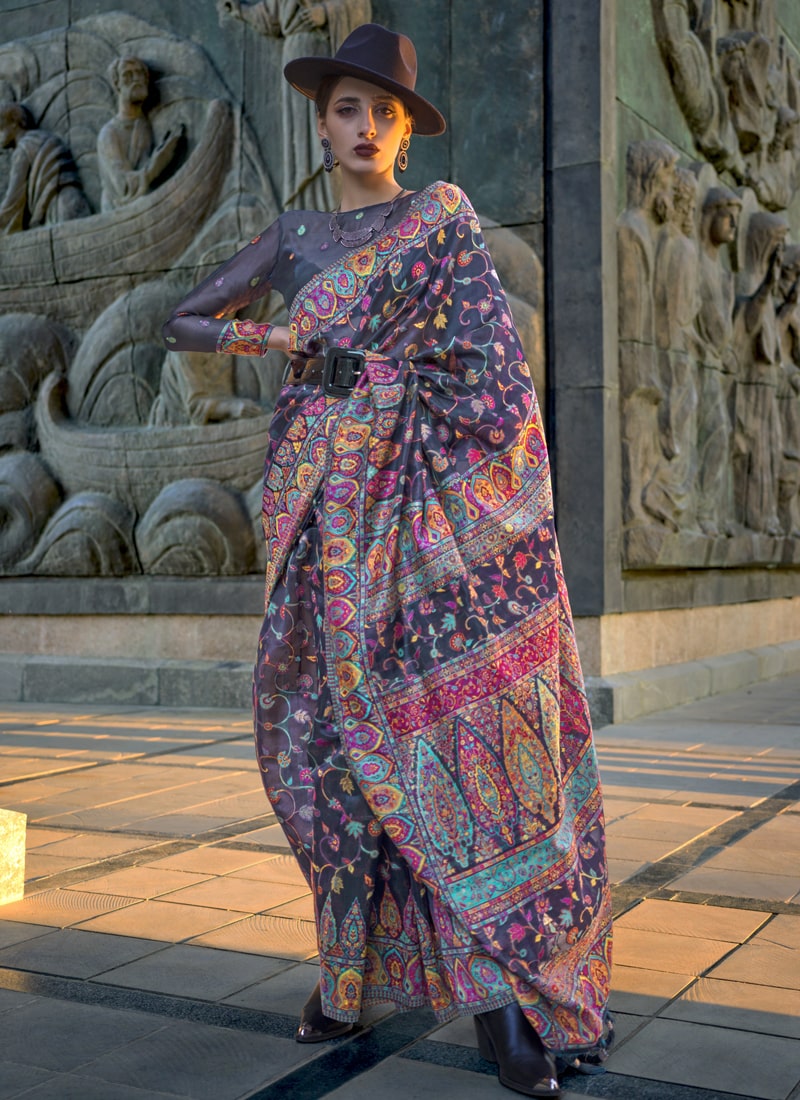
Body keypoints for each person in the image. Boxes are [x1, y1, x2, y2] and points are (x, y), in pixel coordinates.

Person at [163, 24, 612, 1097]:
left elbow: (493, 376)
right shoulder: (293, 237)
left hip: (429, 518)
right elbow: (184, 321)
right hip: (322, 517)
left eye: (386, 113)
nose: (366, 128)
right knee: (323, 745)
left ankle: (504, 1003)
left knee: (453, 740)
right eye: (348, 110)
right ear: (322, 124)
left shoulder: (440, 220)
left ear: (406, 130)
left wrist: (397, 402)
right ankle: (345, 975)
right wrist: (277, 342)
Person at [97, 56, 183, 211]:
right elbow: (123, 186)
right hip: (118, 211)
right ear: (117, 84)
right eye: (127, 75)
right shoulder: (109, 134)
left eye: (140, 74)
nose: (136, 80)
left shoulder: (143, 124)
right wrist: (156, 165)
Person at [0, 102, 90, 233]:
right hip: (76, 200)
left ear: (14, 122)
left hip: (57, 209)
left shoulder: (23, 151)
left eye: (0, 128)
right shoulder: (44, 138)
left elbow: (13, 198)